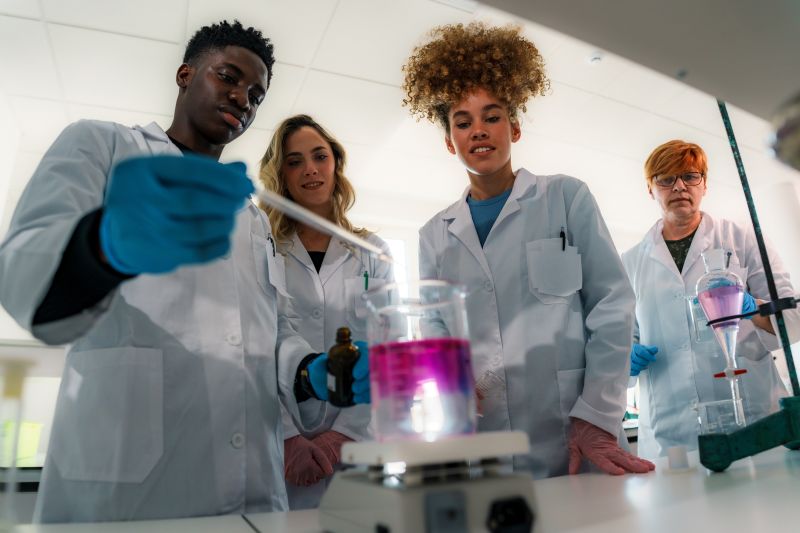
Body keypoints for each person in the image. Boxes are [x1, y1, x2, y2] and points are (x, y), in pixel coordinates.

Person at [0, 21, 367, 522]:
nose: (243, 98)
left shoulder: (251, 216)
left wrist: (309, 371)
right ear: (185, 73)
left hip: (253, 492)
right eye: (229, 77)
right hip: (127, 492)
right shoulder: (104, 147)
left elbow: (267, 332)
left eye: (256, 95)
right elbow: (22, 273)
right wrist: (105, 244)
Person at [401, 22, 654, 478]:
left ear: (514, 127)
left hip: (574, 432)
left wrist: (597, 416)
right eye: (463, 122)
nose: (479, 131)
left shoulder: (566, 197)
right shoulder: (433, 234)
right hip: (485, 440)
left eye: (492, 116)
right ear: (448, 141)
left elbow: (613, 305)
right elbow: (434, 328)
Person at [621, 140, 800, 460]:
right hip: (670, 431)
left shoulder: (743, 238)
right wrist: (623, 358)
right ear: (650, 189)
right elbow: (621, 339)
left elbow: (793, 318)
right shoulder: (630, 262)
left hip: (754, 415)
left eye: (690, 176)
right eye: (665, 178)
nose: (679, 187)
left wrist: (753, 309)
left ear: (704, 184)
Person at [258, 114, 393, 509]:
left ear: (336, 163)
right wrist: (286, 437)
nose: (310, 169)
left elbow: (389, 345)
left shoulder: (372, 251)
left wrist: (345, 435)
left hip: (359, 444)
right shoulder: (262, 250)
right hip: (282, 450)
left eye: (319, 156)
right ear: (280, 173)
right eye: (294, 160)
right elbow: (252, 347)